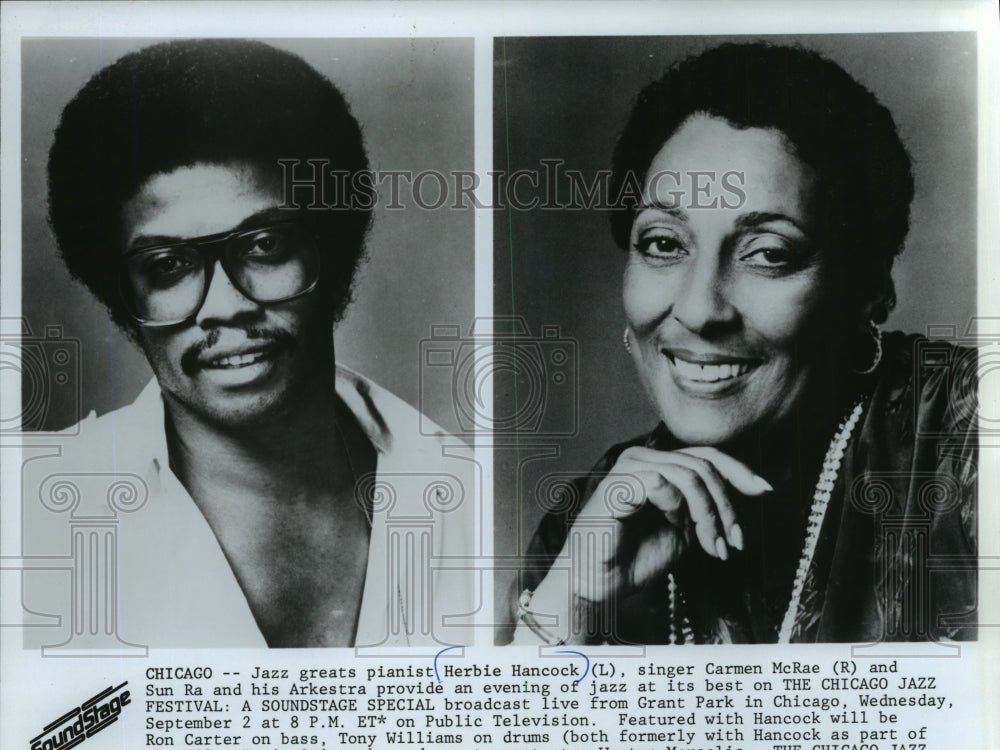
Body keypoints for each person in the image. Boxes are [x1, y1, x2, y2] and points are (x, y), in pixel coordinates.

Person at [511, 42, 977, 645]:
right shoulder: (597, 514)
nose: (701, 309)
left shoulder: (967, 434)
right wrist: (571, 603)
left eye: (769, 255)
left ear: (870, 289)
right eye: (662, 244)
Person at [20, 39, 473, 649]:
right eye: (169, 265)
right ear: (121, 297)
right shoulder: (27, 518)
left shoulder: (469, 495)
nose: (226, 304)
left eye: (264, 245)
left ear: (331, 251)